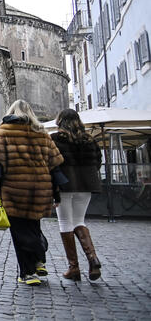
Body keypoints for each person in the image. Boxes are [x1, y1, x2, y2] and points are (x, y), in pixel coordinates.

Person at [0, 99, 64, 286]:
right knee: (33, 227)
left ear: (11, 111)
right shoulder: (42, 133)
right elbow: (54, 166)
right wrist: (56, 193)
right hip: (40, 188)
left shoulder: (4, 131)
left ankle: (29, 272)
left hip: (14, 189)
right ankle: (38, 261)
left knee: (19, 233)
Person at [51, 108, 103, 282]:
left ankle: (74, 268)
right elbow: (98, 161)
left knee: (65, 222)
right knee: (79, 221)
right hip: (86, 184)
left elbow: (51, 164)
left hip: (65, 184)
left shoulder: (55, 139)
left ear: (60, 121)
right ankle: (92, 258)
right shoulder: (89, 139)